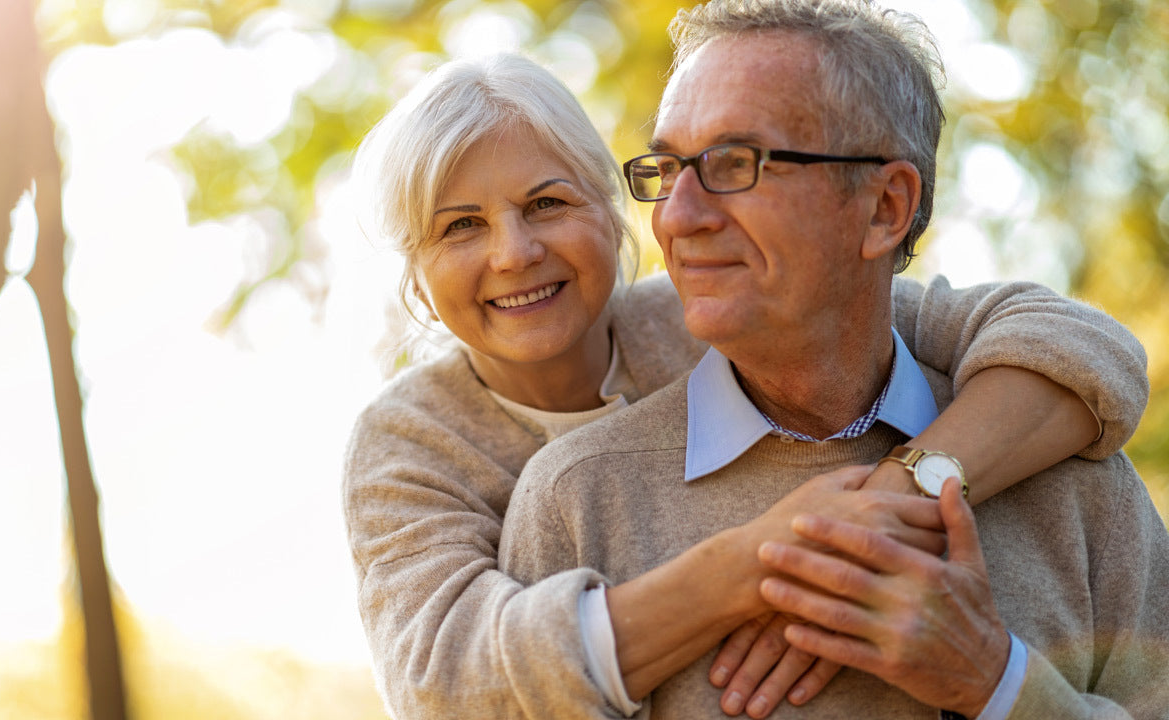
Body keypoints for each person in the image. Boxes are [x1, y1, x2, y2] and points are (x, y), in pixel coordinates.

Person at [342, 51, 1151, 720]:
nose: (514, 253)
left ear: (611, 210)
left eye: (546, 203)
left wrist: (896, 499)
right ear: (417, 267)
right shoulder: (418, 447)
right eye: (460, 226)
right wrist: (770, 560)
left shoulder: (713, 309)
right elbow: (445, 681)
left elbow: (1072, 345)